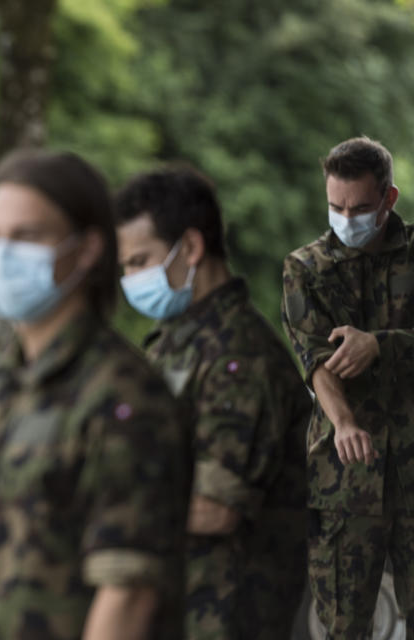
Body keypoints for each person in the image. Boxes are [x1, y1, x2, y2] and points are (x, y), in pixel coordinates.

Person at [0, 149, 191, 640]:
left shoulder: (123, 398)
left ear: (86, 249)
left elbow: (126, 593)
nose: (2, 255)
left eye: (27, 236)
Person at [115, 166, 309, 640]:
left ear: (193, 248)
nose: (130, 279)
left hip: (225, 617)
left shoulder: (239, 356)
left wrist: (99, 512)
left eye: (140, 261)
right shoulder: (177, 343)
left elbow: (215, 508)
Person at [281, 136, 414, 638]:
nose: (346, 217)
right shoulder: (305, 269)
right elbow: (315, 359)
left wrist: (382, 344)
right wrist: (343, 422)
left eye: (359, 207)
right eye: (336, 206)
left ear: (388, 199)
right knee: (342, 624)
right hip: (346, 482)